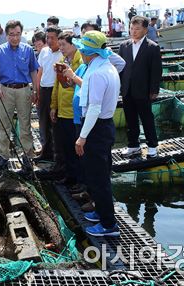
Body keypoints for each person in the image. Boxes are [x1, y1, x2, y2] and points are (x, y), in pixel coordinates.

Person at [68, 30, 121, 237]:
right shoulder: (107, 66)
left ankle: (109, 225)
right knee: (99, 174)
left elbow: (94, 108)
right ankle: (101, 212)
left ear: (88, 52)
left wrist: (82, 137)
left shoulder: (98, 73)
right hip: (103, 126)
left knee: (99, 179)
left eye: (82, 49)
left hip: (96, 128)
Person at [0, 20, 39, 171]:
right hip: (5, 90)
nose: (15, 38)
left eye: (17, 34)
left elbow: (33, 70)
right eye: (11, 35)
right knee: (4, 125)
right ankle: (3, 157)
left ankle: (27, 157)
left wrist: (35, 90)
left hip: (24, 90)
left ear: (21, 34)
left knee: (25, 125)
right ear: (6, 35)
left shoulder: (28, 50)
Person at [118, 16, 162, 158]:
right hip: (127, 89)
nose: (133, 31)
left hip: (144, 90)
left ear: (145, 29)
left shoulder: (152, 47)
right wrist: (120, 87)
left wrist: (154, 90)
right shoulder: (124, 46)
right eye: (131, 28)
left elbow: (156, 71)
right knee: (130, 119)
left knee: (147, 118)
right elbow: (120, 68)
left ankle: (152, 146)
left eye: (137, 29)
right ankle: (133, 145)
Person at [50, 31, 83, 183]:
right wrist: (53, 106)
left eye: (64, 44)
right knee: (66, 146)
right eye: (60, 44)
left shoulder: (81, 62)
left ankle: (78, 179)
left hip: (74, 111)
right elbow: (57, 85)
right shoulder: (62, 61)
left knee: (75, 148)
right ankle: (69, 177)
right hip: (63, 110)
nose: (61, 47)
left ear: (73, 44)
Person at [35, 25, 62, 162]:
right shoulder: (44, 51)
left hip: (56, 90)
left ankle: (56, 153)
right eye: (48, 37)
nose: (50, 40)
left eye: (53, 38)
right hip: (44, 89)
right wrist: (36, 90)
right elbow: (39, 72)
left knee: (55, 123)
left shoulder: (63, 53)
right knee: (43, 121)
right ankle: (45, 151)